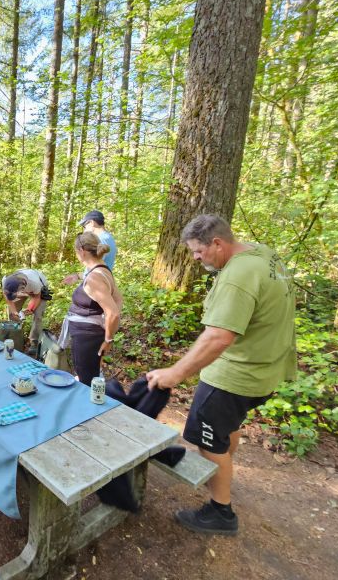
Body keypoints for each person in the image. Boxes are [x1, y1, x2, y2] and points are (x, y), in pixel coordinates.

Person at [146, 214, 296, 536]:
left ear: (218, 243)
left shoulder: (237, 277)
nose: (195, 258)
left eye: (198, 251)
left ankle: (221, 512)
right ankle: (222, 475)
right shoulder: (262, 253)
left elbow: (218, 337)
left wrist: (175, 373)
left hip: (234, 378)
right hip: (266, 369)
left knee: (206, 438)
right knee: (226, 429)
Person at [60, 232, 122, 384]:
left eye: (76, 252)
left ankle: (89, 406)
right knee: (90, 375)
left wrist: (108, 339)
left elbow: (113, 312)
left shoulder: (94, 278)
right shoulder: (103, 270)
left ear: (82, 251)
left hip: (87, 337)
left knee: (86, 381)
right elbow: (118, 300)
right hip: (90, 335)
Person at [1, 268, 50, 355]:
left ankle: (33, 342)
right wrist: (14, 311)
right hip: (20, 289)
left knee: (38, 316)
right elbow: (8, 298)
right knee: (12, 315)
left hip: (38, 290)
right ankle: (15, 338)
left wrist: (30, 309)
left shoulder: (34, 282)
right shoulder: (6, 281)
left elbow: (36, 297)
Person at [63, 210, 117, 285]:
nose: (84, 230)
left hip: (96, 285)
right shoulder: (109, 238)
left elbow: (95, 268)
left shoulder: (100, 240)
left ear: (92, 223)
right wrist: (77, 276)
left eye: (84, 226)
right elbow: (96, 268)